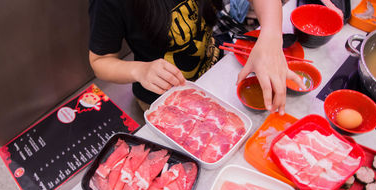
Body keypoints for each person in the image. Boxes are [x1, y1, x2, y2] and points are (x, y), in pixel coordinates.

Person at [89, 0, 305, 115]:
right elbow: (100, 62)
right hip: (165, 97)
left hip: (213, 75)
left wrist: (271, 35)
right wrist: (139, 70)